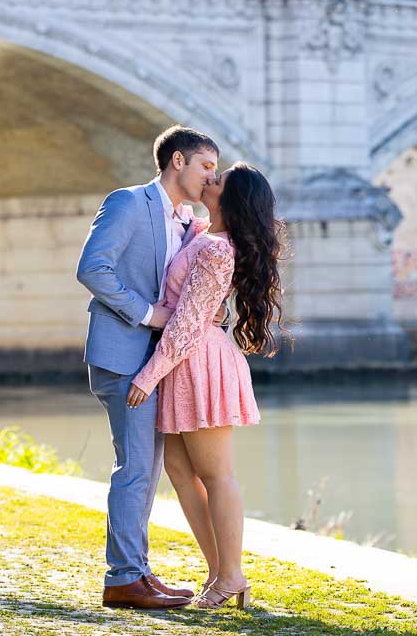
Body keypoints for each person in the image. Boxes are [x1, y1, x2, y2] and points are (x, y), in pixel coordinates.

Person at [127, 161, 285, 610]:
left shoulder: (218, 249)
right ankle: (222, 572)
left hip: (197, 362)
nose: (208, 181)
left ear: (230, 200)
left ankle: (231, 574)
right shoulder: (201, 233)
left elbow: (189, 322)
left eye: (217, 181)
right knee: (180, 473)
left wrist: (148, 374)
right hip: (183, 362)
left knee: (217, 475)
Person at [76, 125, 219, 610]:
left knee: (147, 468)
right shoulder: (128, 203)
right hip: (122, 354)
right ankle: (123, 579)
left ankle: (136, 572)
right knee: (136, 469)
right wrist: (147, 313)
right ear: (177, 161)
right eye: (206, 166)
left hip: (157, 362)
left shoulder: (189, 221)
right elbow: (94, 267)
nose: (210, 177)